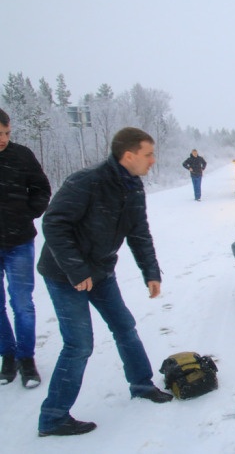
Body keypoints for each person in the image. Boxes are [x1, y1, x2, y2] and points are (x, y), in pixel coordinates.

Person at [37, 127, 173, 437]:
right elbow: (54, 224)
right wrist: (76, 270)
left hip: (100, 272)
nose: (153, 160)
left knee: (124, 326)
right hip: (64, 275)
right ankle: (53, 417)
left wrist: (151, 272)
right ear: (129, 156)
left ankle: (141, 385)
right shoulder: (87, 182)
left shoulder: (134, 187)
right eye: (148, 154)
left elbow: (139, 233)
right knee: (79, 344)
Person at [0, 108, 51, 388]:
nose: (3, 139)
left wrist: (27, 212)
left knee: (22, 303)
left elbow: (42, 188)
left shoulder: (21, 156)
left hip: (19, 241)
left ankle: (26, 358)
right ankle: (7, 356)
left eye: (6, 133)